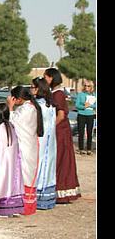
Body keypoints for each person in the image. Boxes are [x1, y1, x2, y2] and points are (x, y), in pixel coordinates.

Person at [44, 67, 81, 203]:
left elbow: (60, 115)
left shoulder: (58, 94)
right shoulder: (53, 93)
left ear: (51, 77)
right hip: (58, 132)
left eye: (46, 77)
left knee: (61, 161)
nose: (44, 80)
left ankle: (62, 193)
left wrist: (49, 127)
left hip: (60, 132)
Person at [6, 86, 43, 216]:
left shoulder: (26, 109)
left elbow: (13, 123)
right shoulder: (30, 107)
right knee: (26, 174)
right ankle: (25, 204)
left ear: (19, 98)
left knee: (23, 174)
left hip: (25, 147)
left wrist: (10, 107)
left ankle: (22, 205)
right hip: (29, 145)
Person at [31, 77, 57, 210]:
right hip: (49, 143)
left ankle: (35, 197)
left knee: (38, 165)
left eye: (33, 87)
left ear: (38, 89)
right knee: (47, 166)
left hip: (40, 141)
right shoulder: (50, 105)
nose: (31, 89)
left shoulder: (38, 106)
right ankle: (44, 198)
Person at [75, 80, 96, 155]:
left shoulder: (94, 95)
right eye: (85, 86)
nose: (86, 87)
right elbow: (77, 105)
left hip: (90, 115)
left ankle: (89, 149)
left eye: (88, 86)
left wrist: (89, 105)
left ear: (91, 87)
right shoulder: (80, 94)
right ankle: (81, 149)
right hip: (81, 115)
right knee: (81, 132)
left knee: (89, 132)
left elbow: (95, 105)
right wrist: (84, 106)